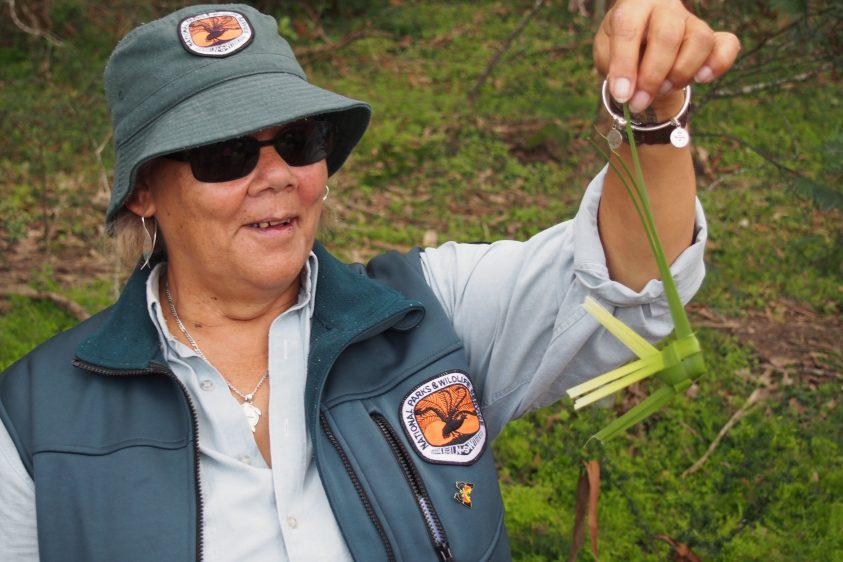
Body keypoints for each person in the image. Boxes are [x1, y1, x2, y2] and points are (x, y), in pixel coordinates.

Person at [0, 2, 739, 560]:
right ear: (143, 192)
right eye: (224, 154)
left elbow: (629, 280)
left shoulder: (425, 317)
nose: (278, 177)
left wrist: (652, 114)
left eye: (298, 141)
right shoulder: (33, 423)